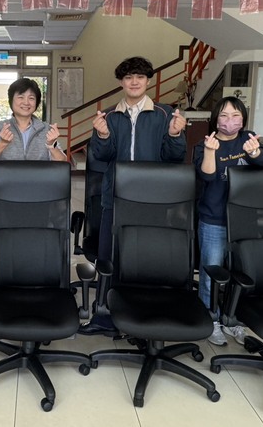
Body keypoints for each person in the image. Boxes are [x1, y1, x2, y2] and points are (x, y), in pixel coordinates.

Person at [78, 56, 187, 336]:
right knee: (109, 256)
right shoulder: (109, 116)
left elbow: (174, 158)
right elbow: (102, 157)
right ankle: (104, 315)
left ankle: (143, 315)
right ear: (121, 82)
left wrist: (175, 135)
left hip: (153, 200)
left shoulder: (164, 115)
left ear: (148, 80)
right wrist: (102, 136)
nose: (134, 82)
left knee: (145, 257)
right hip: (114, 198)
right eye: (128, 77)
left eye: (139, 77)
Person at [0, 77, 66, 350]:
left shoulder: (46, 130)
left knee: (40, 259)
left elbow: (63, 165)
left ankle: (42, 315)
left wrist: (52, 147)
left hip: (40, 206)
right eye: (21, 97)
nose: (26, 102)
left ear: (37, 103)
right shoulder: (0, 128)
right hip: (6, 207)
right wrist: (1, 143)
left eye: (32, 98)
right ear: (11, 101)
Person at [193, 96, 263, 346]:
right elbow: (207, 176)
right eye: (224, 115)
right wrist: (210, 152)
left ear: (243, 119)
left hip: (244, 220)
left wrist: (254, 151)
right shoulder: (206, 144)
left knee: (242, 272)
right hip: (213, 218)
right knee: (211, 273)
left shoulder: (249, 139)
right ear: (216, 119)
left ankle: (234, 318)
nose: (230, 120)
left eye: (236, 115)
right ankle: (211, 318)